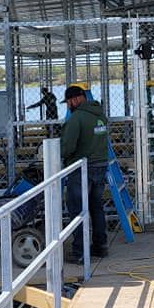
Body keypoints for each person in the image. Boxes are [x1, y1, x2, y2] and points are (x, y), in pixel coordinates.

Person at [59, 85, 109, 262]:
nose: (68, 106)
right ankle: (100, 246)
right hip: (101, 165)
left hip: (82, 168)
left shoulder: (77, 118)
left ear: (75, 99)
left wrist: (60, 155)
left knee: (77, 209)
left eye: (68, 102)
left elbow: (68, 146)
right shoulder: (100, 114)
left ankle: (79, 251)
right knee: (96, 207)